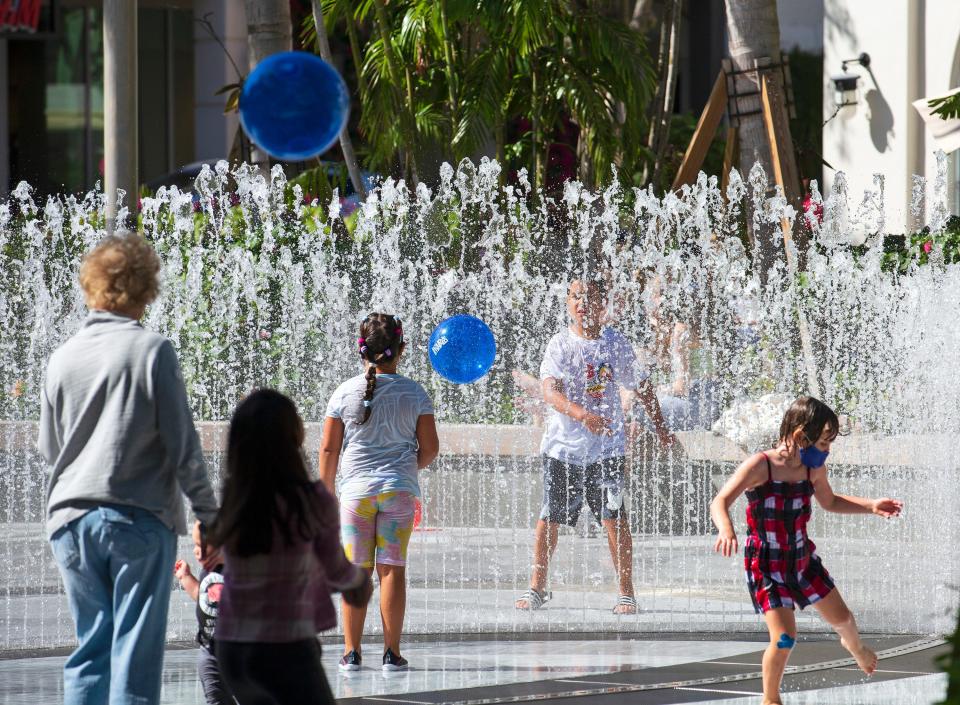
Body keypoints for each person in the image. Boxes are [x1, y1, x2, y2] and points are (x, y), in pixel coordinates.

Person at [39, 232, 219, 705]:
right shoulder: (152, 352)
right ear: (145, 287)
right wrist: (210, 517)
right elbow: (184, 448)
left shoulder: (61, 359)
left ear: (92, 286)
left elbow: (49, 448)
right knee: (134, 660)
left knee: (90, 651)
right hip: (136, 518)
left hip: (70, 522)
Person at [710, 396, 903, 705]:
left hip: (801, 561)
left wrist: (871, 506)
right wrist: (726, 528)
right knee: (785, 638)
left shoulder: (814, 471)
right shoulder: (762, 466)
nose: (827, 451)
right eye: (824, 443)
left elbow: (830, 502)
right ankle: (770, 700)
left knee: (845, 620)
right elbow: (720, 500)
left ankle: (855, 648)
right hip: (766, 564)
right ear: (801, 437)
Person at [515, 278, 676, 614]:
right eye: (576, 297)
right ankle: (537, 587)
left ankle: (626, 592)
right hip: (563, 449)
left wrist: (661, 429)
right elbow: (549, 391)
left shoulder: (616, 343)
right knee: (550, 517)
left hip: (607, 451)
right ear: (567, 302)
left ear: (604, 304)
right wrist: (582, 414)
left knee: (614, 518)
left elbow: (643, 387)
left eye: (590, 298)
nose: (583, 304)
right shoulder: (560, 344)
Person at [211, 389, 372, 705]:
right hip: (286, 645)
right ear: (294, 437)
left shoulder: (235, 499)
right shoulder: (311, 501)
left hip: (232, 646)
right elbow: (336, 569)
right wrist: (359, 582)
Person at [320, 313, 439, 672]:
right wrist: (405, 471)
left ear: (362, 350)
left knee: (357, 572)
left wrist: (326, 493)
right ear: (401, 350)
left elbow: (328, 450)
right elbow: (430, 448)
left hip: (356, 494)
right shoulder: (415, 393)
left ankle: (351, 652)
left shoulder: (343, 392)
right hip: (398, 493)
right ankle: (391, 653)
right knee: (392, 571)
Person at [174, 521, 235, 705]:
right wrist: (185, 578)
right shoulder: (209, 571)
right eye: (195, 545)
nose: (195, 551)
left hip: (241, 652)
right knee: (216, 699)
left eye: (201, 545)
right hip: (210, 652)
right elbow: (203, 597)